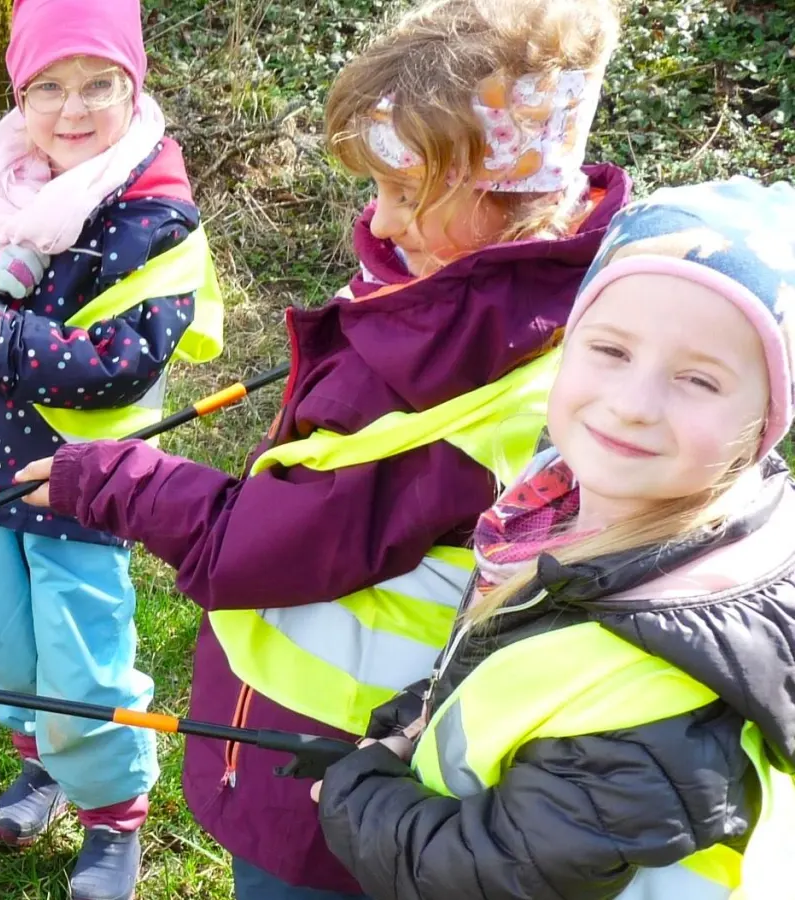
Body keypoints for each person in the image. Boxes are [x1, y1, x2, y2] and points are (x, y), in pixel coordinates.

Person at [15, 0, 629, 894]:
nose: (377, 225)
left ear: (513, 190)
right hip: (316, 750)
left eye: (406, 194)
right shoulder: (466, 298)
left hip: (333, 780)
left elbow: (266, 541)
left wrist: (115, 478)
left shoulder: (478, 381)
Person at [316, 176, 795, 900]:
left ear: (764, 421)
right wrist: (415, 718)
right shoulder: (562, 505)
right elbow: (513, 665)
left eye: (698, 379)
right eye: (608, 350)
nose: (631, 405)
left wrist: (353, 796)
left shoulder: (663, 690)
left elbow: (498, 876)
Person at [0, 0, 223, 896]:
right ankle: (45, 764)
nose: (71, 110)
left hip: (82, 485)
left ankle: (113, 818)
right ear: (18, 92)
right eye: (47, 87)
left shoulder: (155, 217)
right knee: (4, 648)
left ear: (134, 85)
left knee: (82, 661)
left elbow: (121, 366)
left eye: (97, 85)